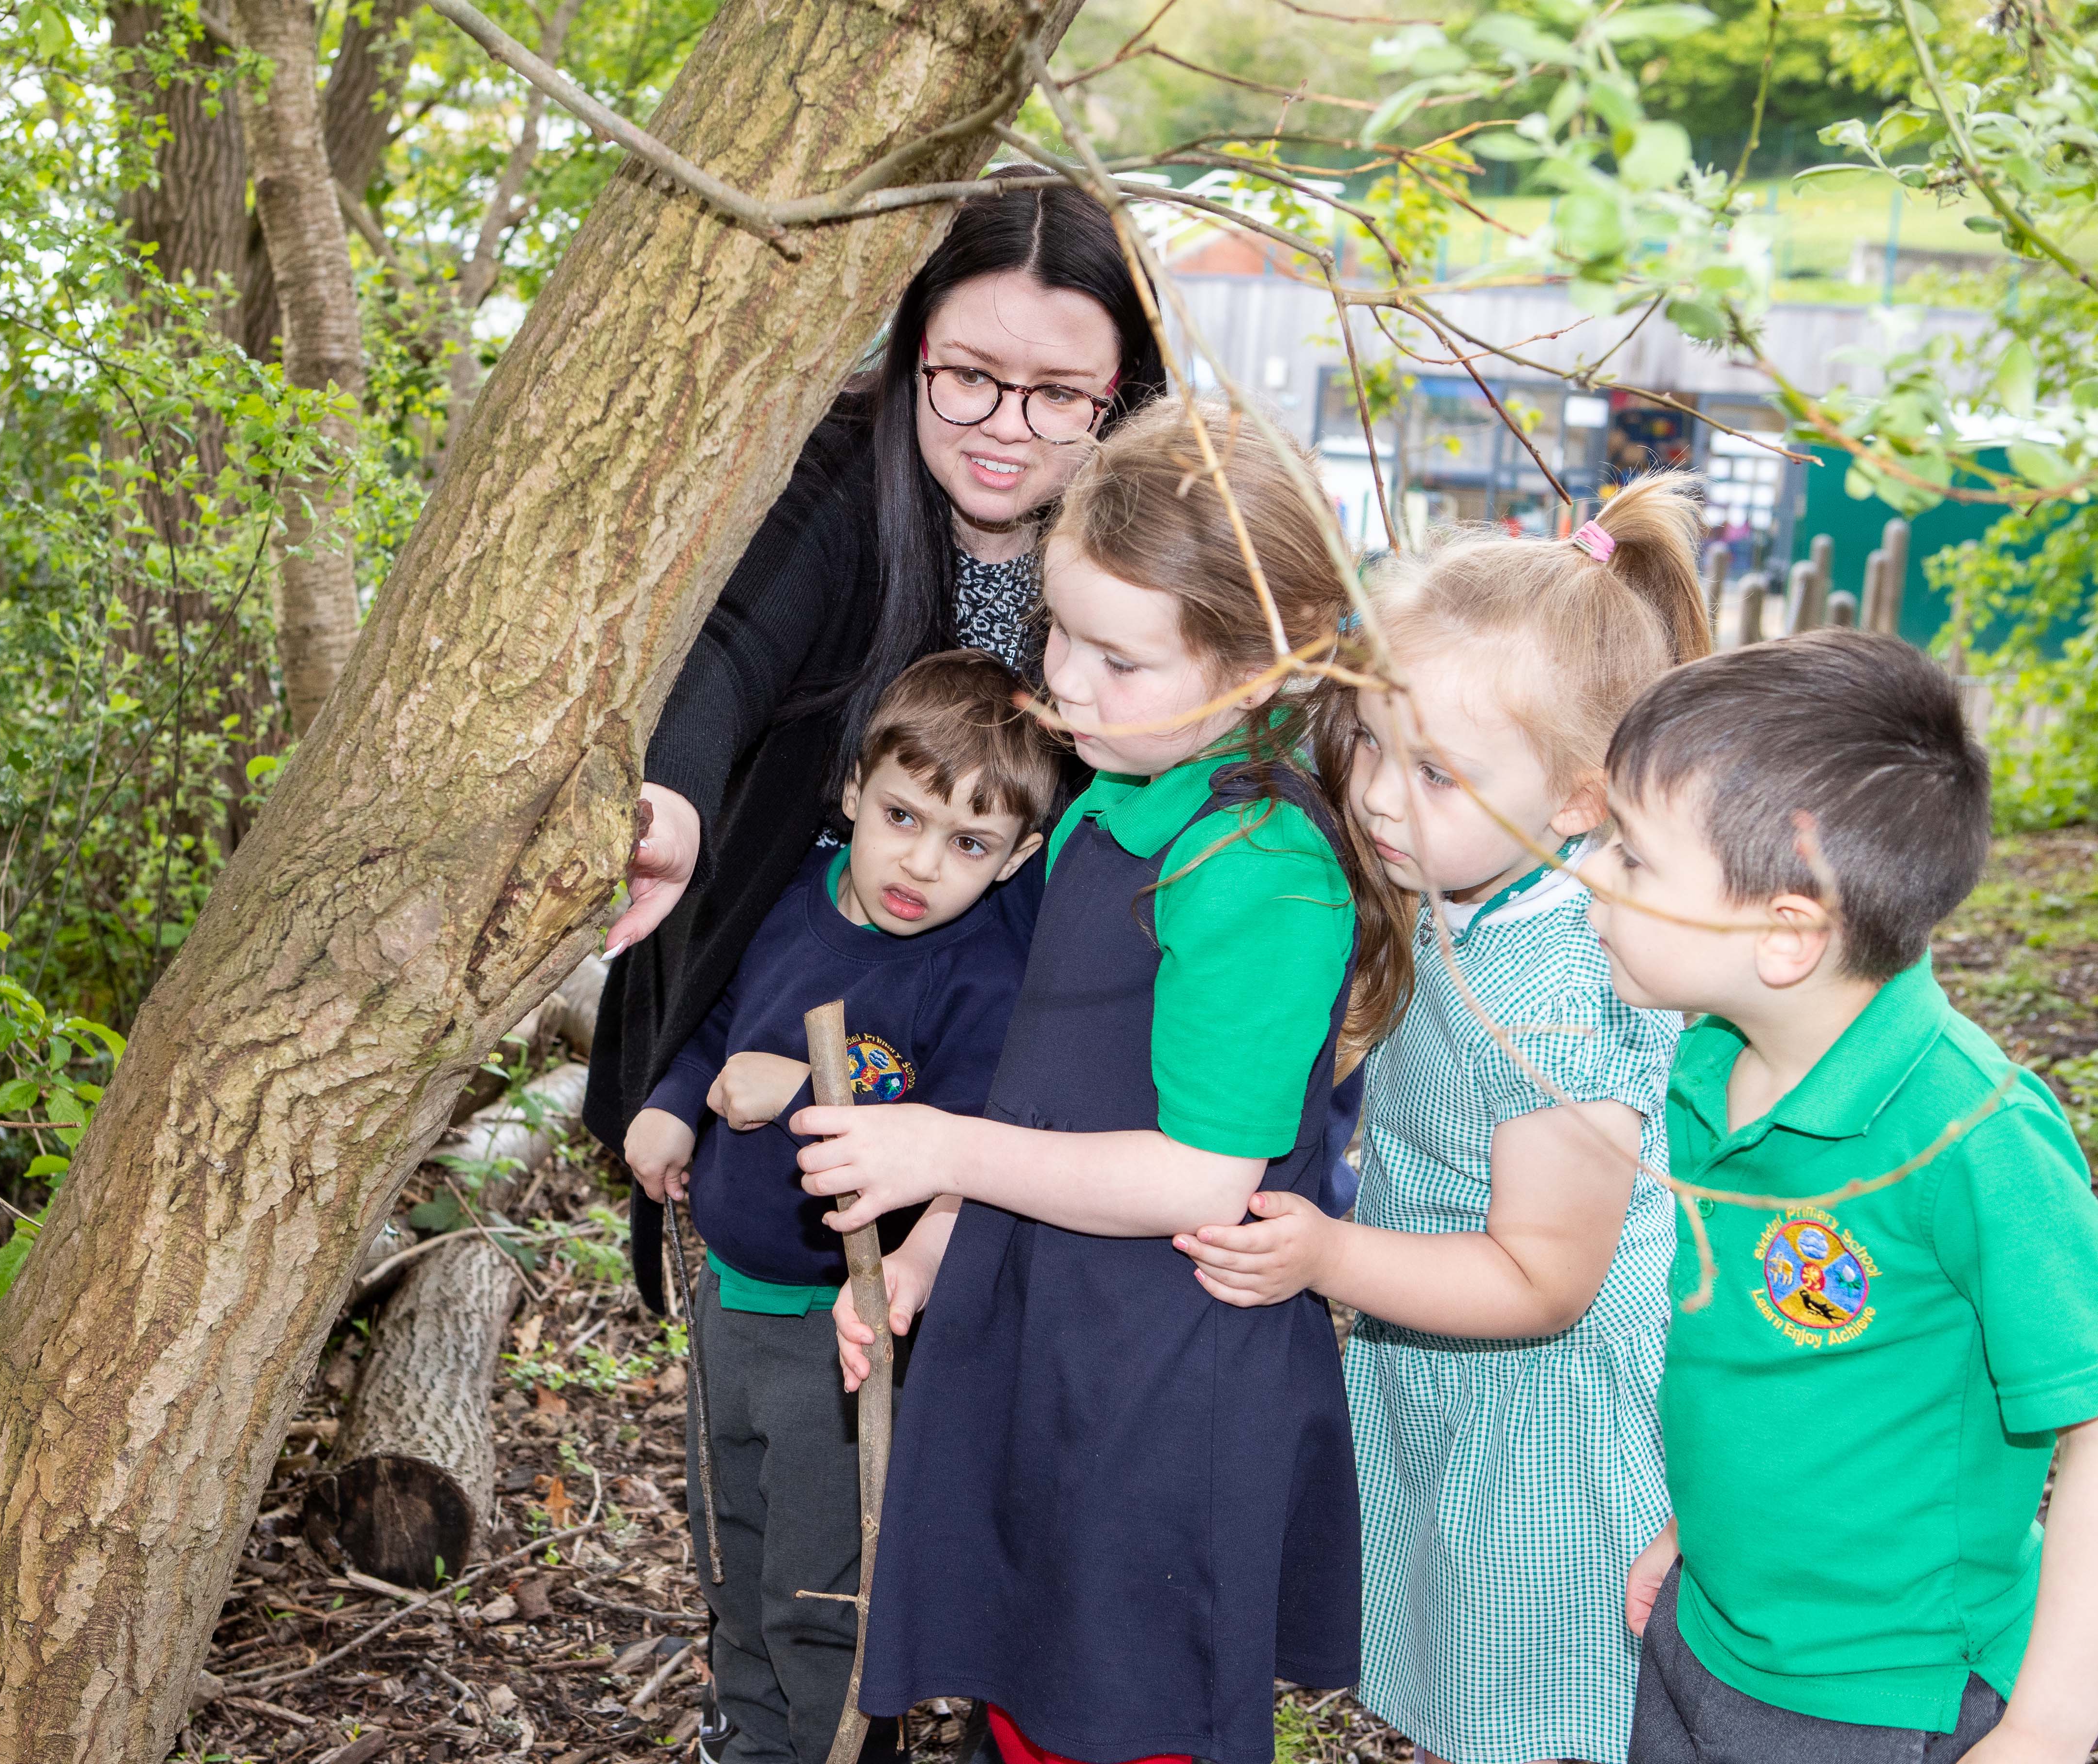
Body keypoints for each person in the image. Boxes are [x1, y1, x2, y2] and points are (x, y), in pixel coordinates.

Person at [806, 401, 1406, 1764]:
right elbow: (1050, 1094)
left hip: (1160, 1388)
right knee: (1030, 1693)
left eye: (1120, 660)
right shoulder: (1118, 795)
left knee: (1121, 1715)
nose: (1063, 684)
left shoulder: (1254, 865)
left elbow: (1201, 1174)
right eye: (1059, 632)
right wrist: (941, 1247)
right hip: (1057, 1335)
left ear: (1259, 669)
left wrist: (942, 1158)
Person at [1176, 475, 1715, 1764]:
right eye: (1367, 737)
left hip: (1551, 1430)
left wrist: (1328, 1258)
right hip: (1460, 1382)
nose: (1371, 794)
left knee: (1543, 1723)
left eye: (1435, 769)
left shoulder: (1559, 993)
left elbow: (1547, 1279)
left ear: (1582, 799)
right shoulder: (1469, 883)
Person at [586, 173, 1170, 1314]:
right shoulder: (841, 467)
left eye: (1059, 395)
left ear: (1123, 393)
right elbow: (733, 653)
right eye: (968, 379)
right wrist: (675, 800)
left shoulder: (1160, 522)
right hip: (829, 952)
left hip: (1022, 998)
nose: (1006, 429)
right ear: (912, 355)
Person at [1582, 630, 2098, 1764]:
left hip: (1877, 1697)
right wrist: (1701, 1526)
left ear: (1784, 934)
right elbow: (1776, 1365)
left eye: (1630, 856)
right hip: (1708, 1630)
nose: (1586, 872)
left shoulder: (1973, 1137)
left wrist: (2059, 1718)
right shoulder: (1709, 1066)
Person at [621, 649, 1056, 1764]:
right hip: (731, 1299)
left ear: (1019, 861)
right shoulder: (789, 898)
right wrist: (677, 1103)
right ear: (855, 787)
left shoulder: (976, 974)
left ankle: (832, 1747)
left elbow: (969, 1130)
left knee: (823, 1575)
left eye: (970, 844)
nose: (922, 863)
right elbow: (723, 1022)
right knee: (735, 1541)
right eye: (903, 815)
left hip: (847, 1326)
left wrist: (821, 1084)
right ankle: (747, 1736)